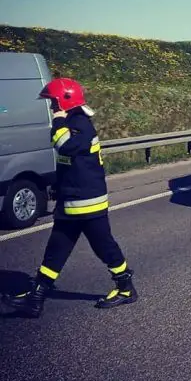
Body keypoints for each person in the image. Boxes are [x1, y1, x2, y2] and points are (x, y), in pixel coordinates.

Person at [3, 78, 138, 318]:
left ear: (64, 101)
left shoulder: (79, 125)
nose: (51, 107)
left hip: (87, 203)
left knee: (103, 246)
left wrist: (58, 121)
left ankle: (125, 288)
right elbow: (69, 163)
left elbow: (64, 146)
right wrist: (58, 186)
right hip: (71, 201)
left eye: (53, 103)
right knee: (56, 249)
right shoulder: (72, 122)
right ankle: (36, 298)